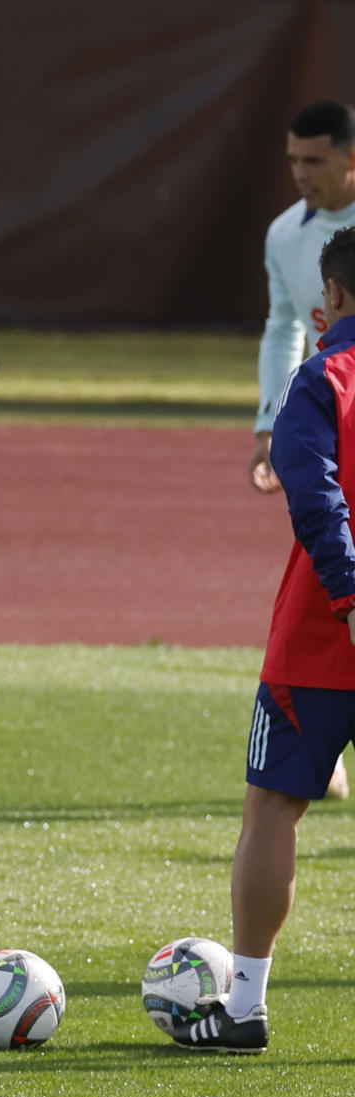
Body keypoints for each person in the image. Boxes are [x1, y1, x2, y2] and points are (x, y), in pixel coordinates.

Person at [177, 225, 355, 1054]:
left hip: (320, 637)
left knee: (272, 807)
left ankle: (243, 1006)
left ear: (336, 298)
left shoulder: (322, 379)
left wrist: (350, 592)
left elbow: (312, 490)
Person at [251, 100, 355, 801]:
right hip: (324, 399)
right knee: (313, 548)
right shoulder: (286, 234)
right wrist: (267, 421)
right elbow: (281, 323)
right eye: (292, 159)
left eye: (313, 159)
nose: (300, 173)